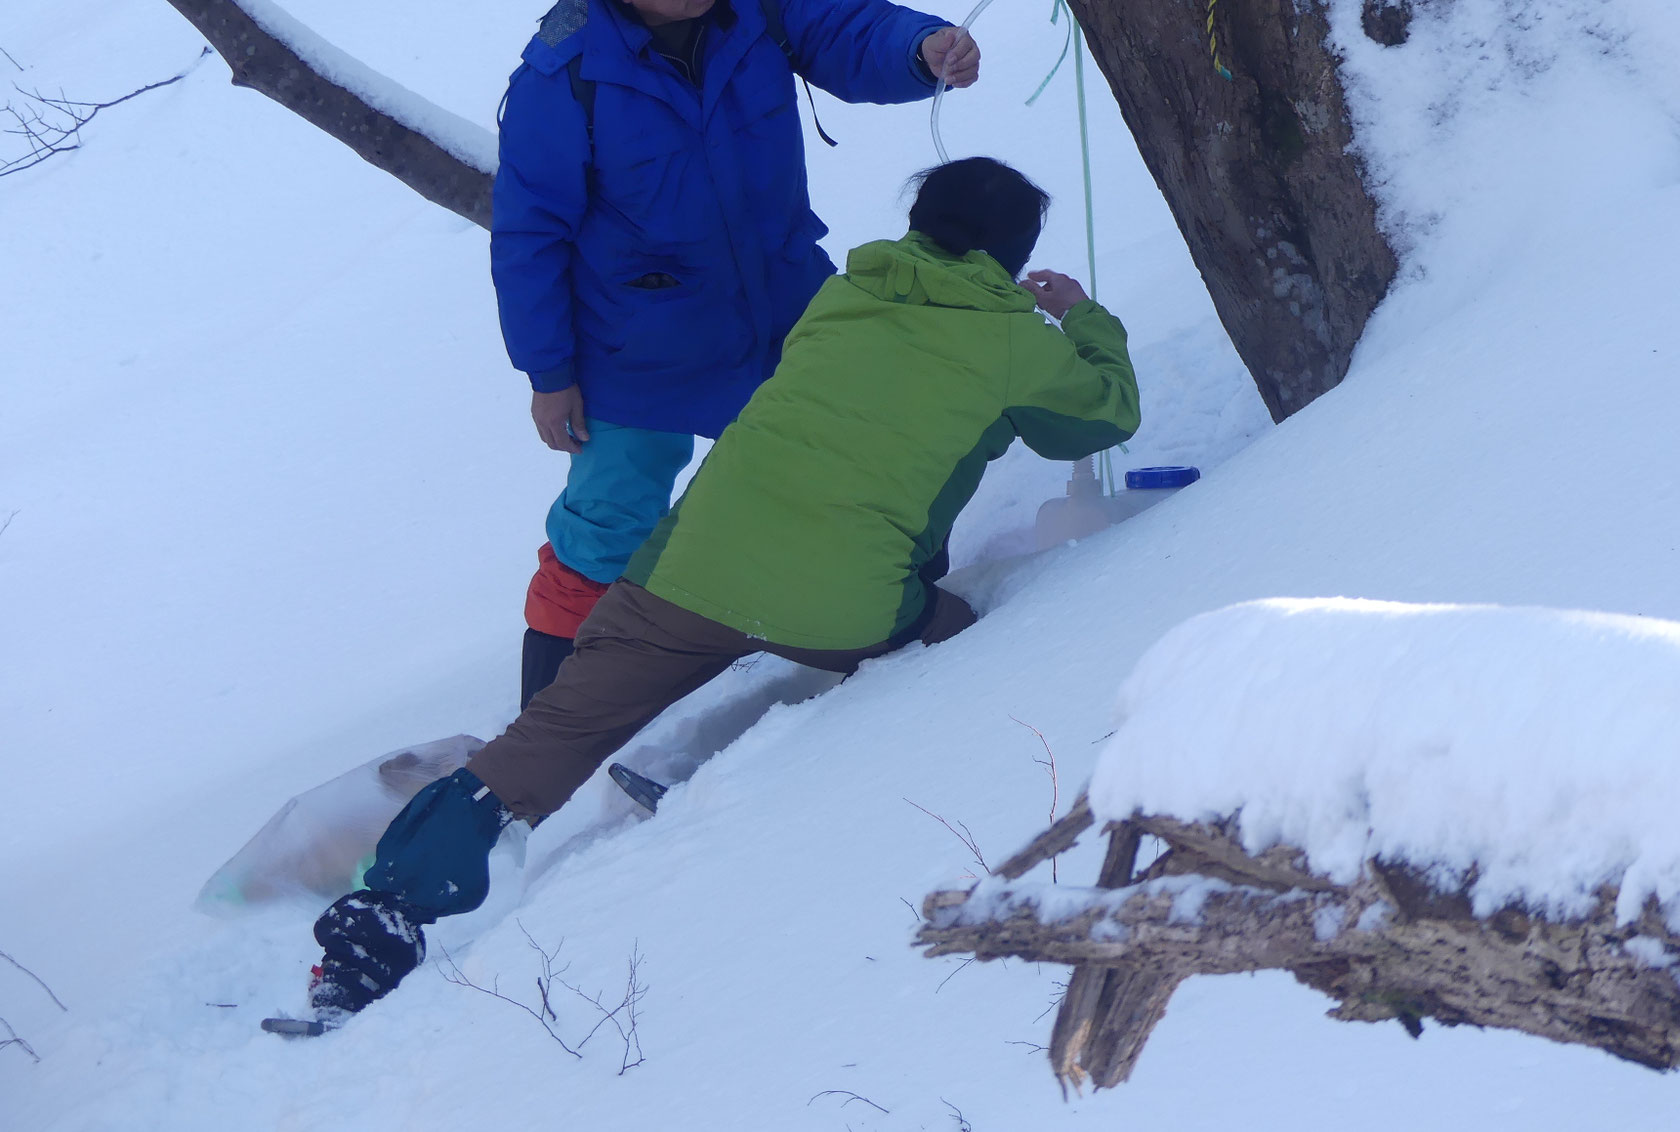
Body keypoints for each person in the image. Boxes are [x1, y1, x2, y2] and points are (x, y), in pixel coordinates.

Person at [298, 158, 1141, 1027]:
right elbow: (1105, 415)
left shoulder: (842, 296)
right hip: (844, 603)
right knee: (969, 622)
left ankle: (383, 915)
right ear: (1014, 252)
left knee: (543, 738)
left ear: (920, 221)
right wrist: (1080, 316)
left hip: (684, 572)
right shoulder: (1016, 344)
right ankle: (705, 767)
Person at [496, 0, 982, 709]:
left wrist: (921, 49)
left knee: (867, 440)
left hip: (783, 296)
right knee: (609, 517)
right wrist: (549, 373)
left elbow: (846, 28)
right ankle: (550, 717)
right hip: (640, 341)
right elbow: (529, 234)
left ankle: (884, 610)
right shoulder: (561, 76)